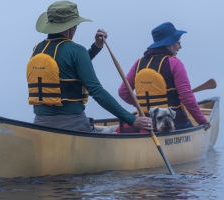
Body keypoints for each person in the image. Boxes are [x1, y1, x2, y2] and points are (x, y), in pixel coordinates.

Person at [26, 1, 153, 132]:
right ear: (71, 26)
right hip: (73, 125)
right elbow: (96, 91)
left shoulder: (37, 50)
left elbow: (69, 68)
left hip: (39, 125)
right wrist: (132, 120)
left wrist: (96, 47)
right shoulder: (77, 50)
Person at [118, 22, 211, 130]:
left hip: (146, 124)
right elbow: (186, 97)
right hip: (175, 123)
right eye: (178, 43)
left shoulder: (139, 63)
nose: (180, 47)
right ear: (169, 44)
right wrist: (202, 120)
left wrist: (141, 103)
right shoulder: (175, 63)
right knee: (192, 125)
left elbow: (123, 92)